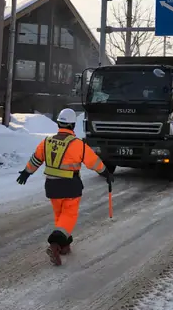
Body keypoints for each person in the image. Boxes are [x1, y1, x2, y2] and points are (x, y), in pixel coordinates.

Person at [16, 108, 113, 265]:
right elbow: (93, 162)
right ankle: (55, 243)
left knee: (60, 217)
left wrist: (27, 172)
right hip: (70, 185)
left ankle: (64, 245)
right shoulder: (77, 145)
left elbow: (36, 159)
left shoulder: (47, 142)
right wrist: (106, 173)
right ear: (73, 125)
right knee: (69, 215)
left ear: (59, 123)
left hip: (52, 186)